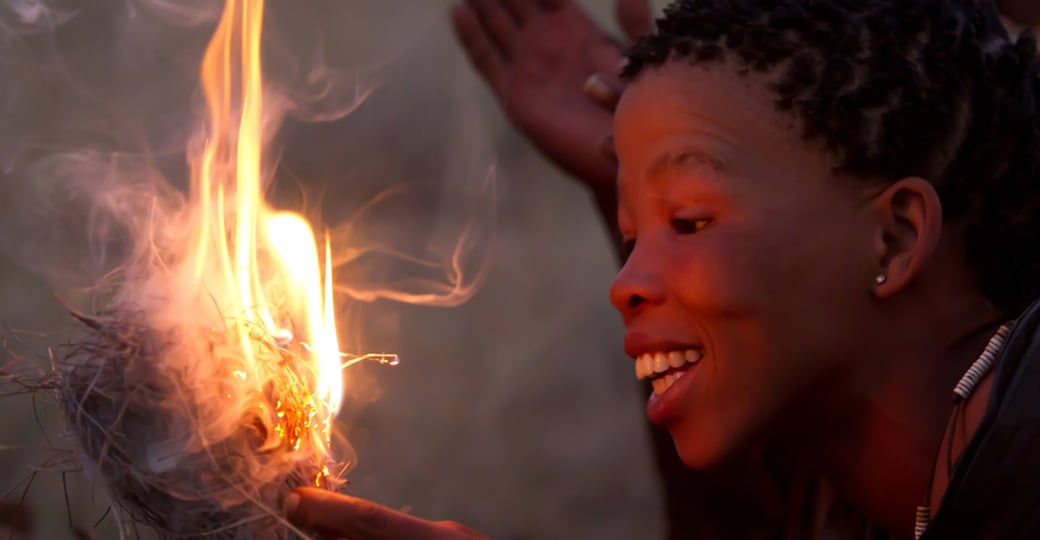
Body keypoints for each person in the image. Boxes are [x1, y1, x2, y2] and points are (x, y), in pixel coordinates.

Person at [283, 0, 1040, 538]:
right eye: (630, 235)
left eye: (690, 220)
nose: (625, 285)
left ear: (895, 239)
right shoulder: (849, 485)